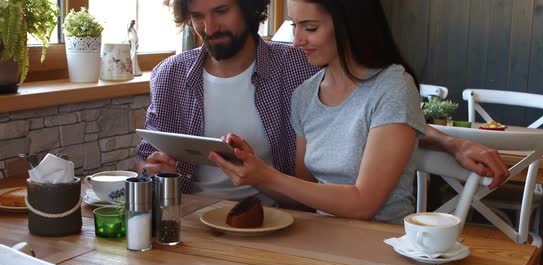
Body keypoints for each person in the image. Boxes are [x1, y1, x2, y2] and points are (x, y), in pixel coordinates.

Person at [136, 0, 508, 206]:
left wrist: (451, 141)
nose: (209, 26)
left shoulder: (300, 66)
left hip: (274, 217)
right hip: (190, 217)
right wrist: (148, 168)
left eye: (221, 11)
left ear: (249, 8)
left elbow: (376, 112)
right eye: (198, 16)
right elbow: (147, 153)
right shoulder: (170, 74)